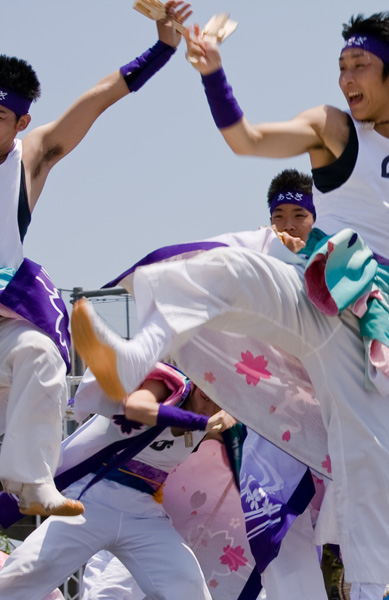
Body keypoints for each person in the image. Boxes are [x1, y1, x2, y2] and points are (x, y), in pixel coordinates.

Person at [72, 3, 389, 598]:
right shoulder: (331, 127)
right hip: (308, 289)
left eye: (360, 66)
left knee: (371, 467)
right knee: (222, 265)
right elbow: (248, 140)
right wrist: (214, 73)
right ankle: (136, 357)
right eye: (341, 66)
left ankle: (370, 589)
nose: (346, 79)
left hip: (370, 330)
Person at [77, 169, 326, 600]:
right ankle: (136, 356)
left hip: (289, 440)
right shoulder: (259, 269)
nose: (288, 224)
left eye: (299, 214)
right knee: (175, 532)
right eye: (279, 215)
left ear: (316, 219)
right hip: (221, 441)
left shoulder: (330, 275)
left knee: (285, 544)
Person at [0, 0, 190, 517]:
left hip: (6, 318)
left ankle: (30, 481)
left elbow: (101, 97)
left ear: (21, 121)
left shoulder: (31, 155)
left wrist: (164, 47)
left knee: (41, 355)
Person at [0, 362, 236, 600]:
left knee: (187, 585)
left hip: (144, 514)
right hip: (91, 500)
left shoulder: (217, 421)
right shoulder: (169, 385)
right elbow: (136, 407)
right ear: (196, 385)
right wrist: (199, 423)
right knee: (24, 572)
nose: (209, 408)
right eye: (206, 397)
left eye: (219, 402)